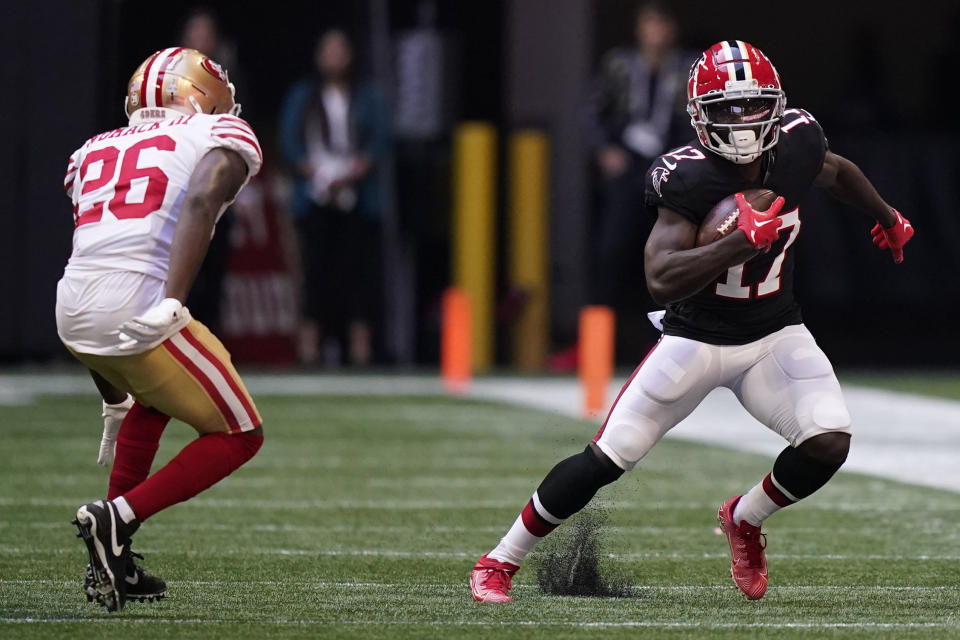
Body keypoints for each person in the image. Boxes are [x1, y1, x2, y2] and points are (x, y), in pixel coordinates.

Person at [471, 40, 914, 603]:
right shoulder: (685, 177)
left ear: (774, 104)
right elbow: (661, 276)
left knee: (829, 441)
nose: (742, 120)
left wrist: (887, 215)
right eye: (726, 108)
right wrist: (733, 245)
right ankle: (498, 561)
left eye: (752, 105)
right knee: (608, 457)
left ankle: (744, 518)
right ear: (700, 113)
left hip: (773, 333)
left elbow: (835, 171)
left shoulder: (798, 142)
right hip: (695, 338)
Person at [58, 47, 264, 612]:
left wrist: (111, 392)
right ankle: (118, 517)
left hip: (71, 309)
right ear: (198, 94)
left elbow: (95, 247)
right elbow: (200, 198)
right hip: (137, 302)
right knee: (241, 433)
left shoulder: (91, 150)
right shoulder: (220, 130)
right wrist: (172, 300)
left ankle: (114, 560)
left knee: (152, 400)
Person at [551, 3, 691, 370]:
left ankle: (668, 344)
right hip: (628, 170)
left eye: (662, 24)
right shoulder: (620, 65)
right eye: (650, 24)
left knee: (669, 255)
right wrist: (603, 150)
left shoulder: (687, 67)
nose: (656, 32)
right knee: (611, 254)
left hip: (670, 171)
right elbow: (590, 109)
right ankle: (592, 345)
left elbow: (697, 117)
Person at [279, 29, 391, 367]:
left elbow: (380, 138)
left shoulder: (366, 94)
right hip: (315, 194)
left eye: (340, 50)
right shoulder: (304, 94)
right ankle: (310, 347)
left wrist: (359, 168)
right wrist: (310, 169)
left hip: (356, 194)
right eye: (328, 50)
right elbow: (289, 140)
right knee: (315, 272)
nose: (334, 57)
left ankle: (359, 348)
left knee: (357, 272)